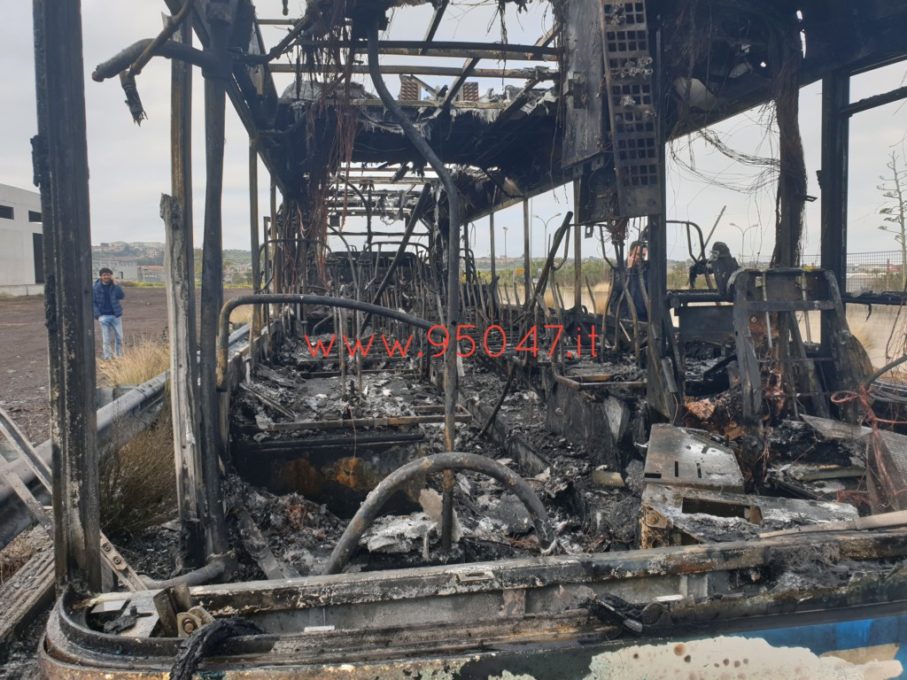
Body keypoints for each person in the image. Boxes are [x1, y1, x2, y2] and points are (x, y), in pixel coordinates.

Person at [609, 241, 649, 322]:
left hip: (641, 318)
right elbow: (618, 286)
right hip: (622, 317)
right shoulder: (618, 268)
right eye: (638, 254)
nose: (640, 257)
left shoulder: (645, 270)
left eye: (643, 255)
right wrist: (629, 269)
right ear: (630, 254)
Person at [93, 268, 126, 360]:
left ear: (111, 276)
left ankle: (118, 356)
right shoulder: (95, 287)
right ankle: (107, 357)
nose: (106, 276)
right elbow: (93, 303)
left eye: (108, 275)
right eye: (104, 275)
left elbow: (121, 296)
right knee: (106, 339)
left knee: (119, 338)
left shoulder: (114, 286)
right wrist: (98, 316)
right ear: (100, 276)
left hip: (116, 315)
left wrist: (117, 285)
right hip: (103, 316)